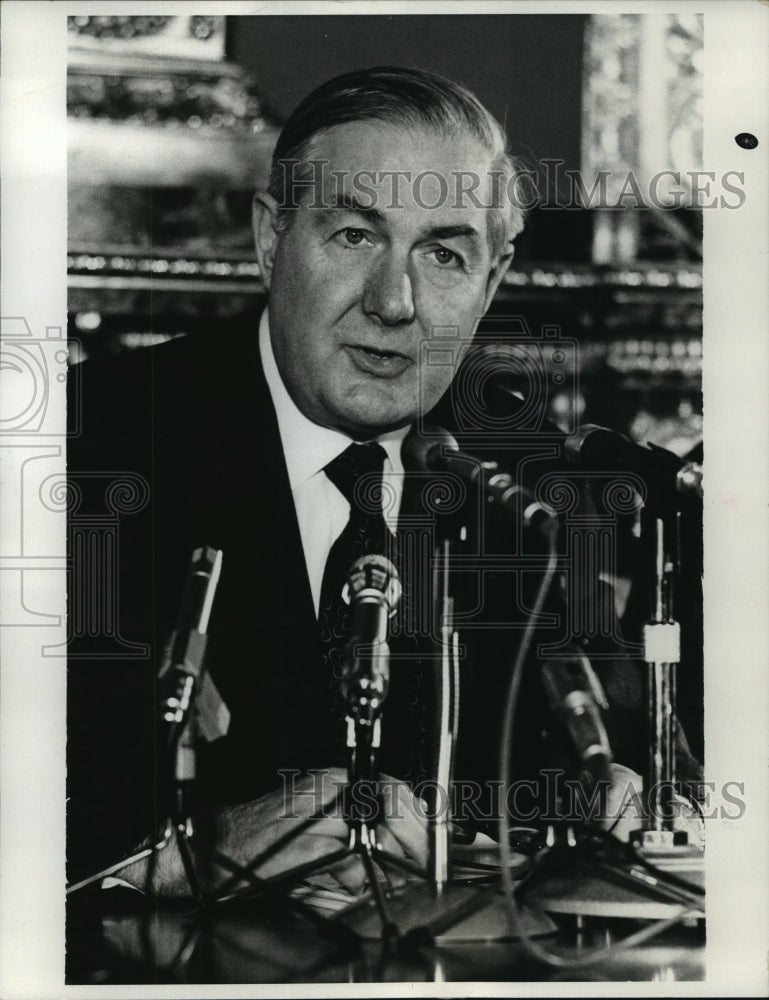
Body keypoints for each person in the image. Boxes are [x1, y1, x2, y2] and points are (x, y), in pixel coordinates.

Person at [67, 67, 698, 899]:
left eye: (443, 255)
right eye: (355, 236)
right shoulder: (88, 446)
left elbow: (613, 755)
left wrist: (612, 797)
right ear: (271, 237)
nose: (393, 302)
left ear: (492, 279)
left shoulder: (524, 477)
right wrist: (190, 856)